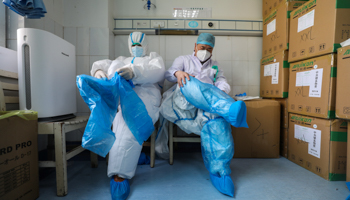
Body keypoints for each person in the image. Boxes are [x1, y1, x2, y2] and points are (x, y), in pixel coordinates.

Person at [161, 33, 237, 197]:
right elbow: (168, 73)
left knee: (217, 121)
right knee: (192, 84)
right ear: (195, 46)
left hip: (206, 105)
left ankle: (220, 171)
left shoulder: (215, 66)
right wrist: (178, 74)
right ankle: (228, 108)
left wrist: (221, 90)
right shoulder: (184, 60)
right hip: (184, 101)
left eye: (209, 49)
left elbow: (222, 81)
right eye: (202, 48)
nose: (205, 51)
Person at [91, 32, 165, 200]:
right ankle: (136, 157)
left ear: (146, 46)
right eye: (133, 45)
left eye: (140, 45)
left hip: (146, 99)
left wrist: (135, 72)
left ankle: (120, 175)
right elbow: (102, 64)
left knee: (128, 122)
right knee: (119, 119)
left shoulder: (153, 58)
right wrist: (98, 71)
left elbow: (158, 71)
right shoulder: (121, 59)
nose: (136, 48)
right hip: (122, 99)